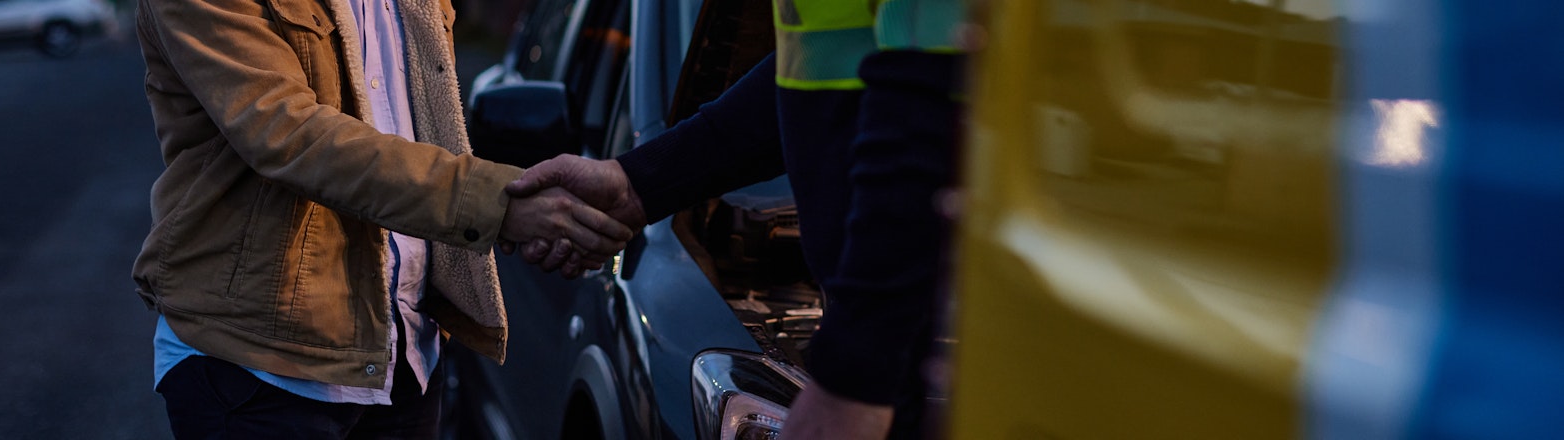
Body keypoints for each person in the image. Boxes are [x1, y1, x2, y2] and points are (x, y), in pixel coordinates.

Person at [129, 0, 631, 436]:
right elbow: (289, 135)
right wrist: (502, 204)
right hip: (259, 365)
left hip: (404, 352)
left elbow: (422, 125)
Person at [508, 0, 967, 438]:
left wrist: (855, 377)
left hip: (952, 351)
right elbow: (812, 77)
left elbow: (936, 93)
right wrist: (638, 183)